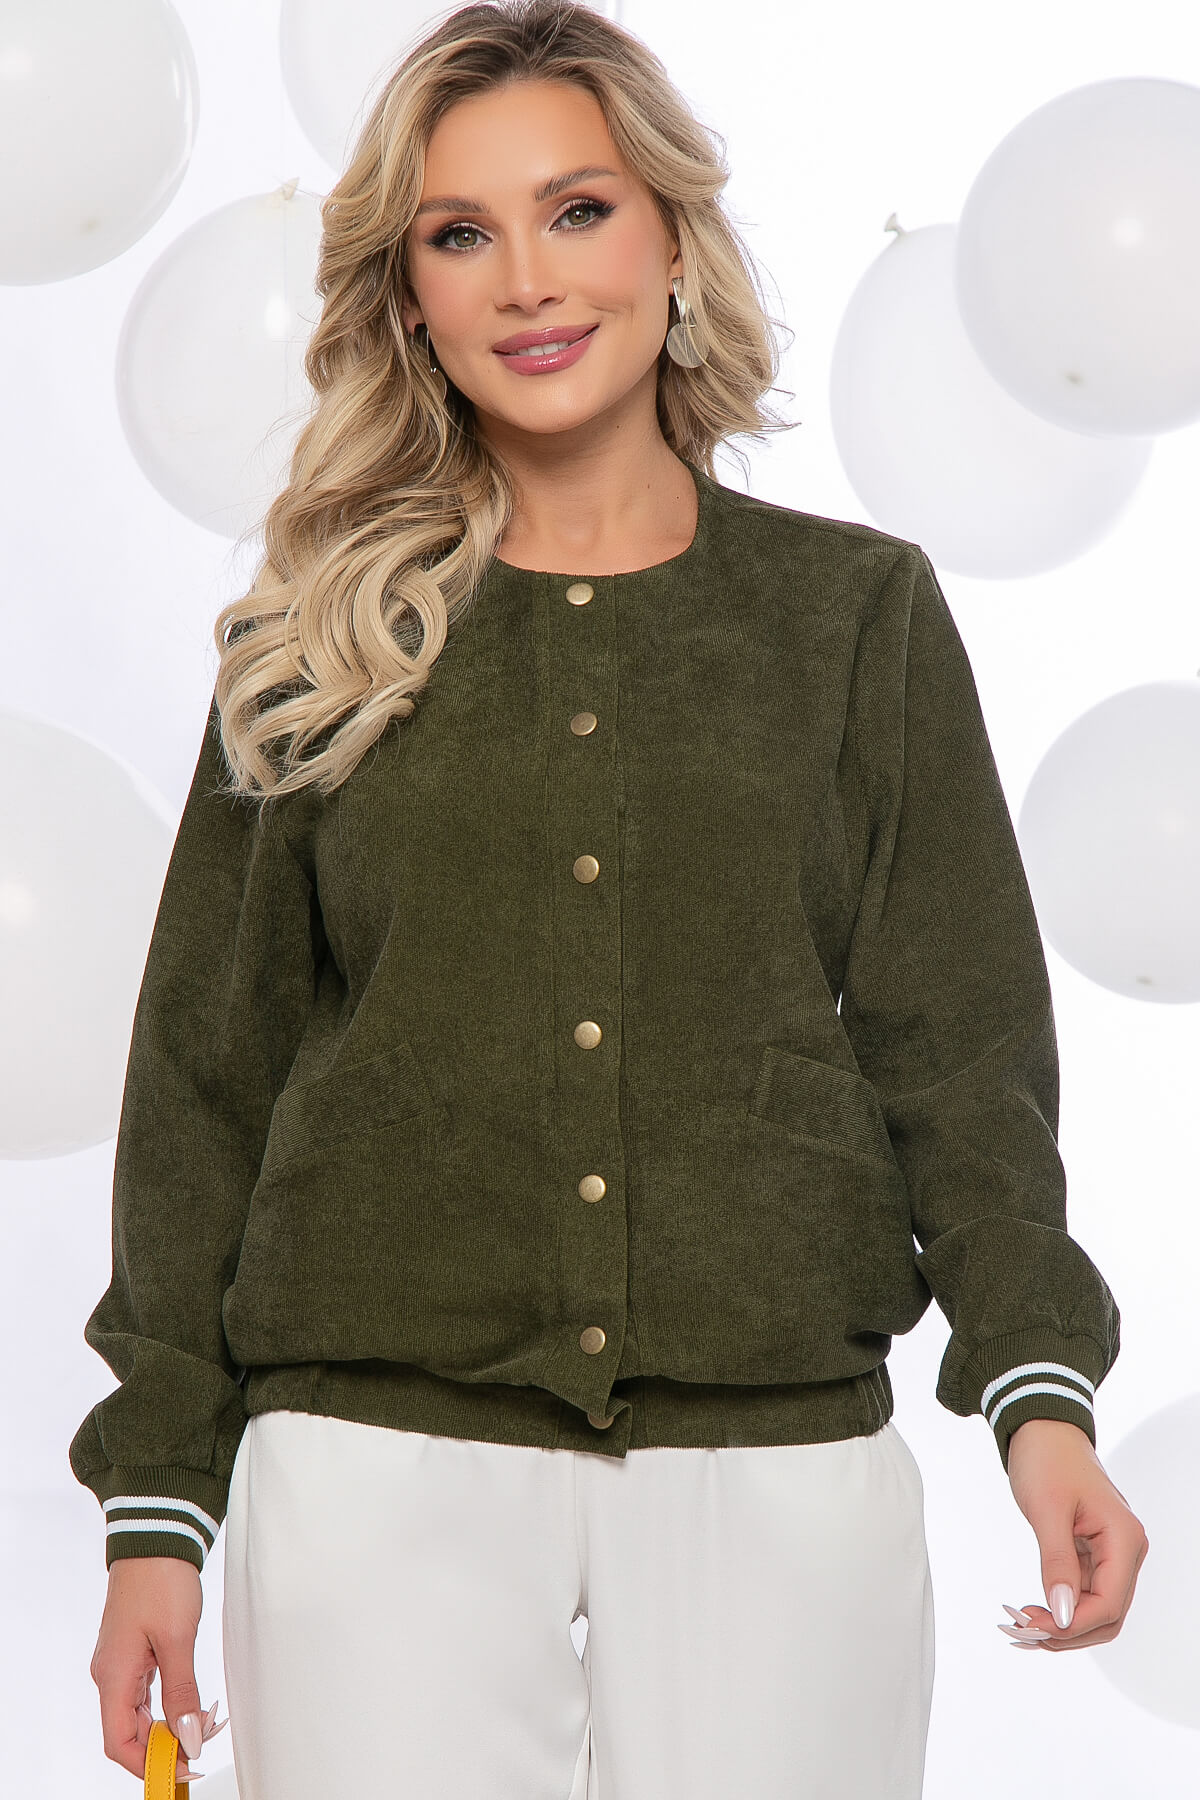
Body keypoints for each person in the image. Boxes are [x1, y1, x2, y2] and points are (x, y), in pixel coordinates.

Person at [72, 3, 1149, 1795]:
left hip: (778, 1467)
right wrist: (157, 1510)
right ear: (407, 296)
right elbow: (203, 1085)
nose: (528, 281)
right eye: (460, 233)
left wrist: (1040, 1391)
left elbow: (960, 1055)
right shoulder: (313, 645)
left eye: (577, 210)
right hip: (371, 1469)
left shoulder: (853, 620)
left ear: (670, 238)